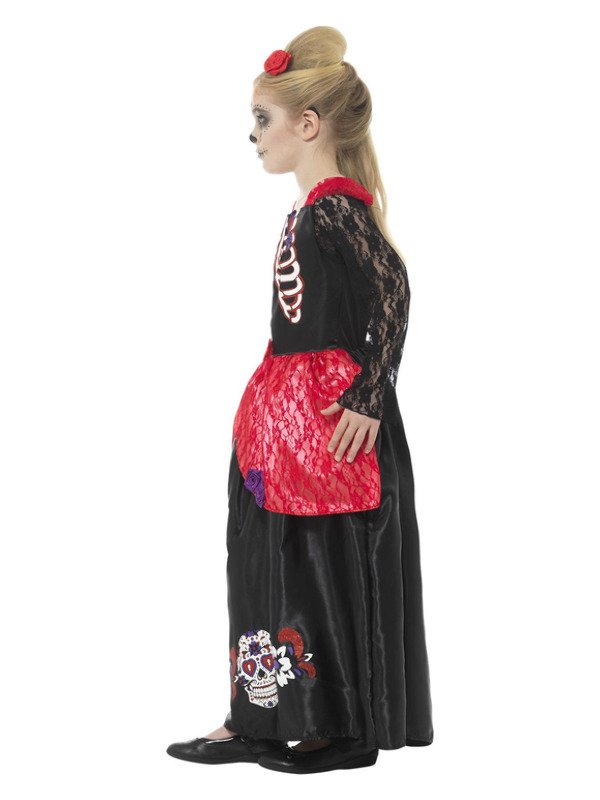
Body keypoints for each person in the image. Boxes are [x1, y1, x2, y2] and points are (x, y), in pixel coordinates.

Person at [167, 25, 434, 774]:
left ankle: (339, 726)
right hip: (284, 423)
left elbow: (393, 288)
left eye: (263, 119)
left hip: (328, 422)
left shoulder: (337, 209)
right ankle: (258, 716)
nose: (253, 135)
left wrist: (368, 394)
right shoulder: (309, 211)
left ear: (308, 125)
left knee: (320, 562)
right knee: (264, 562)